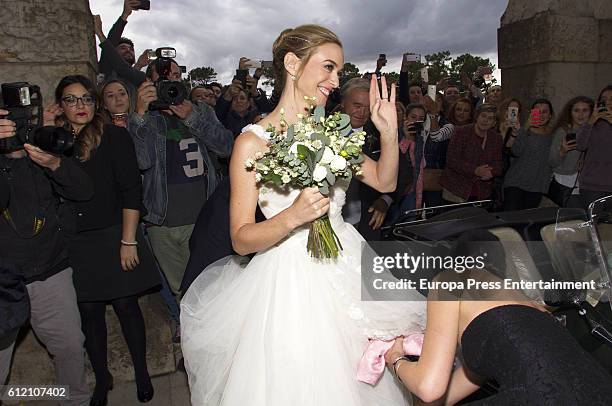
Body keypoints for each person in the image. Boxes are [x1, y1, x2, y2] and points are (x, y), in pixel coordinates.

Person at [180, 25, 426, 405]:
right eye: (328, 67)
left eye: (339, 71)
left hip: (346, 262)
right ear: (293, 64)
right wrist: (292, 217)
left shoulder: (332, 131)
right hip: (290, 281)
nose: (335, 80)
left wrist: (389, 133)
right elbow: (241, 238)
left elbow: (384, 180)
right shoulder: (252, 142)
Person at [385, 230, 612, 404]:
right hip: (598, 390)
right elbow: (444, 396)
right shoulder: (527, 306)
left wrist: (395, 359)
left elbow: (429, 386)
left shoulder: (450, 280)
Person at [54, 75, 160, 405]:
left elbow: (132, 189)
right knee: (89, 312)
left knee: (127, 305)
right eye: (71, 100)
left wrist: (128, 241)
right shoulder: (54, 142)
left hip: (116, 232)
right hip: (77, 240)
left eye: (86, 98)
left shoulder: (114, 136)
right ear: (60, 106)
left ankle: (141, 372)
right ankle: (102, 378)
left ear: (95, 102)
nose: (80, 106)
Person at [0, 109, 93, 405]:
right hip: (3, 281)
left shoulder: (41, 152)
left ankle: (74, 400)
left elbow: (83, 190)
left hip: (51, 271)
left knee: (70, 348)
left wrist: (55, 163)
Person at [127, 57, 233, 298]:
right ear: (150, 83)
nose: (171, 81)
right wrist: (139, 114)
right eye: (164, 77)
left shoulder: (202, 110)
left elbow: (227, 148)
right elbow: (140, 161)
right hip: (162, 220)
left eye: (176, 75)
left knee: (215, 288)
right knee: (183, 292)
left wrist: (191, 117)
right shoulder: (146, 118)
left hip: (204, 217)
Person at [440, 103, 503, 203]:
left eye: (490, 118)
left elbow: (498, 164)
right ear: (477, 117)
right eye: (483, 116)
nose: (485, 120)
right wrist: (475, 170)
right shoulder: (460, 132)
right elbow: (451, 160)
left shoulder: (496, 138)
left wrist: (491, 172)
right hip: (455, 190)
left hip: (482, 193)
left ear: (494, 123)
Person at [503, 98, 555, 210]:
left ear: (550, 115)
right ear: (531, 113)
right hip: (516, 184)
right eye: (537, 111)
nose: (541, 115)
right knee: (511, 222)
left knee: (527, 223)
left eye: (544, 112)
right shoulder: (522, 130)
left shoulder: (553, 136)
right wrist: (525, 127)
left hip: (537, 187)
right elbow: (516, 151)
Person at [548, 96, 594, 208]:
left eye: (585, 110)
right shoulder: (563, 132)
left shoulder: (595, 131)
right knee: (576, 217)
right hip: (564, 182)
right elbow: (552, 162)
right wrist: (562, 151)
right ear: (570, 112)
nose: (580, 114)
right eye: (576, 110)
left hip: (587, 183)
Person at [94, 1, 150, 87]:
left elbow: (128, 74)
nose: (128, 51)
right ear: (113, 51)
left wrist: (138, 65)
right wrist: (125, 15)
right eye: (123, 48)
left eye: (131, 49)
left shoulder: (140, 77)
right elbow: (112, 41)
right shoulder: (106, 68)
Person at [577, 84, 612, 208]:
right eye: (604, 100)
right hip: (592, 186)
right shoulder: (593, 123)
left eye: (611, 99)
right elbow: (581, 145)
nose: (608, 103)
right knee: (592, 226)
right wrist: (591, 120)